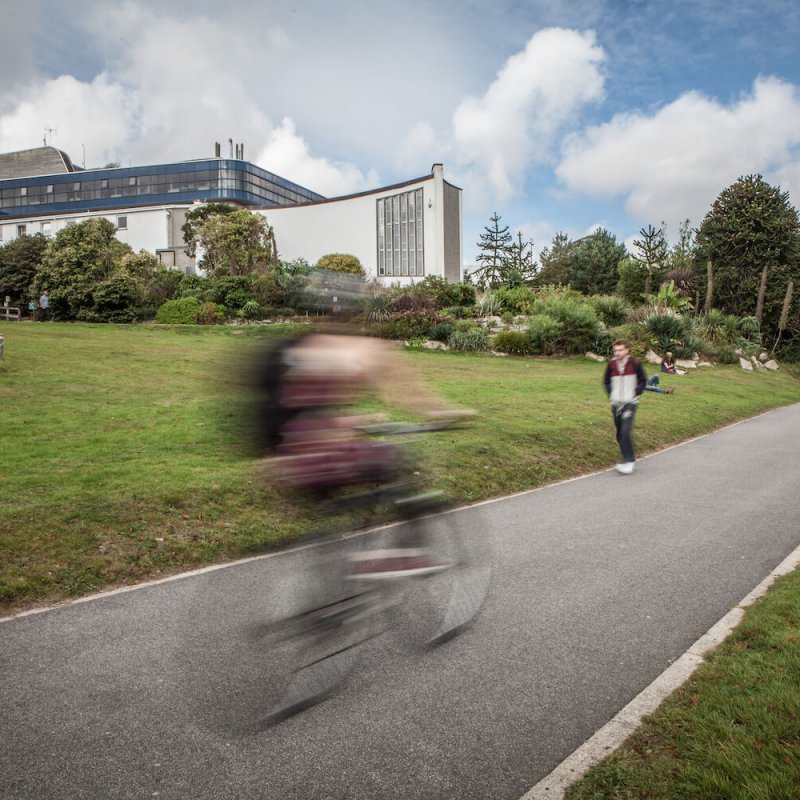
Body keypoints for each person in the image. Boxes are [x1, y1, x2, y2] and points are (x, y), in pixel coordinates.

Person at [249, 270, 468, 576]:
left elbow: (299, 411)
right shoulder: (351, 348)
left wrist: (350, 421)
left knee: (346, 504)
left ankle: (341, 577)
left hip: (287, 461)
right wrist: (439, 412)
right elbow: (400, 386)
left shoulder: (297, 348)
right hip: (320, 461)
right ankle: (401, 554)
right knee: (396, 460)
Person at [603, 339, 647, 474]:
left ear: (626, 350)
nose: (617, 352)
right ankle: (627, 455)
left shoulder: (635, 363)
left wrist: (636, 392)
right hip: (616, 403)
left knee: (625, 431)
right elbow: (606, 381)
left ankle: (629, 460)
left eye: (620, 350)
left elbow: (643, 380)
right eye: (616, 350)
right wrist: (612, 393)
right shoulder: (611, 365)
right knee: (619, 434)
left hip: (630, 402)